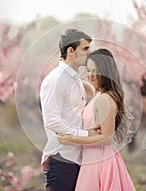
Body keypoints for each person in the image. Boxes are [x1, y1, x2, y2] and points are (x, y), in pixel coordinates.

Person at [57, 48, 136, 191]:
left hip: (99, 161)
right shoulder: (100, 94)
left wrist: (70, 139)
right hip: (95, 158)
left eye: (96, 70)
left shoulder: (104, 99)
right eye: (88, 70)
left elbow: (106, 138)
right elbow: (83, 85)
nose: (91, 75)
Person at [40, 29, 99, 191]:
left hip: (77, 158)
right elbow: (52, 120)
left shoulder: (73, 78)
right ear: (71, 51)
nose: (89, 53)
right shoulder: (55, 80)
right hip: (62, 158)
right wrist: (86, 134)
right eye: (85, 49)